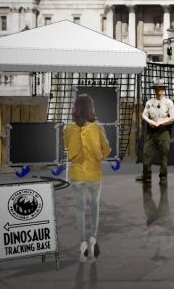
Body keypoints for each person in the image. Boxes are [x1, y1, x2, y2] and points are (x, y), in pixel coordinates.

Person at [63, 93, 111, 262]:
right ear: (91, 108)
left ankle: (82, 242)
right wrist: (99, 157)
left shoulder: (68, 128)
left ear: (75, 108)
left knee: (80, 209)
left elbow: (66, 146)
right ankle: (93, 238)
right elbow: (107, 149)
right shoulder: (98, 127)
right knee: (95, 206)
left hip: (76, 174)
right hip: (94, 173)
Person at [139, 80, 174, 185]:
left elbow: (173, 117)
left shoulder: (168, 102)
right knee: (146, 153)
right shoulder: (150, 102)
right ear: (154, 89)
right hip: (151, 131)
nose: (159, 90)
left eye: (161, 88)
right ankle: (146, 175)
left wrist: (162, 122)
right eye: (157, 88)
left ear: (164, 89)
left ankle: (163, 176)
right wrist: (150, 122)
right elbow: (144, 115)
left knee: (164, 154)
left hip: (163, 131)